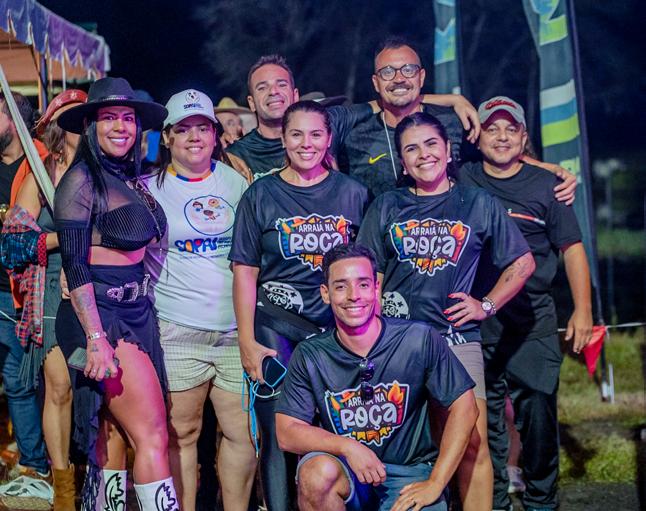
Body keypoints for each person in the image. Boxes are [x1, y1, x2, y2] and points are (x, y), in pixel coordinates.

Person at [357, 112, 536, 511]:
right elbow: (370, 277)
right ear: (402, 162)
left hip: (456, 341)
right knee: (418, 445)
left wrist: (485, 305)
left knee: (471, 441)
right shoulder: (387, 205)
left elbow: (523, 262)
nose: (424, 154)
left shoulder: (477, 202)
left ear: (448, 149)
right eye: (412, 149)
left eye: (431, 144)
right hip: (398, 345)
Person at [229, 100, 369, 511]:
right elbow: (245, 272)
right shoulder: (260, 194)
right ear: (283, 139)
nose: (306, 144)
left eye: (315, 134)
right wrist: (247, 341)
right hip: (277, 326)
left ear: (328, 139)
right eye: (296, 134)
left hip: (336, 331)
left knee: (337, 428)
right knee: (277, 430)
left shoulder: (353, 193)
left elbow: (369, 269)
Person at [459, 96, 593, 511]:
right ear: (477, 136)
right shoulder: (462, 178)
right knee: (483, 424)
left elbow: (572, 249)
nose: (501, 136)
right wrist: (452, 99)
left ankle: (541, 501)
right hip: (474, 323)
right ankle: (494, 501)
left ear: (523, 137)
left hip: (532, 322)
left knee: (537, 414)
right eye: (492, 128)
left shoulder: (547, 188)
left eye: (510, 129)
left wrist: (583, 310)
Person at [275, 243, 479, 511]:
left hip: (407, 475)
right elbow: (286, 432)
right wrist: (347, 447)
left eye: (362, 284)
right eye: (340, 286)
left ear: (376, 288)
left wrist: (436, 482)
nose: (353, 296)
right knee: (316, 474)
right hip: (347, 471)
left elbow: (466, 407)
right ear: (325, 293)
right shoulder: (311, 354)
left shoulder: (418, 338)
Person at [54, 77, 179, 511]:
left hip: (136, 311)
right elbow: (75, 263)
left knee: (115, 437)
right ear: (91, 126)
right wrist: (95, 338)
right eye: (109, 118)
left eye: (127, 118)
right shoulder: (80, 180)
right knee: (152, 434)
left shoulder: (129, 178)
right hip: (101, 318)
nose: (121, 127)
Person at [143, 88, 256, 511]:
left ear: (215, 134)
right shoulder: (147, 190)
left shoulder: (238, 183)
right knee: (182, 434)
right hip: (177, 330)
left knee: (242, 435)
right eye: (184, 128)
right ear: (167, 136)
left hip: (235, 331)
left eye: (203, 128)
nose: (194, 137)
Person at [0, 89, 87, 510]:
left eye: (85, 117)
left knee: (94, 391)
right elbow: (14, 243)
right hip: (51, 290)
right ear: (53, 126)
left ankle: (93, 478)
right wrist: (62, 239)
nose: (81, 125)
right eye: (70, 117)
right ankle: (63, 489)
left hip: (101, 288)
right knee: (59, 387)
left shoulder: (106, 171)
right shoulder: (42, 172)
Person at [226, 54, 478, 182]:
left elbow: (388, 99)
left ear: (295, 95)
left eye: (281, 84)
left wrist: (452, 99)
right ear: (251, 102)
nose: (273, 92)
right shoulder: (235, 154)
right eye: (262, 87)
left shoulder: (329, 120)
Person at [0, 90, 50, 482]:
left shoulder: (43, 164)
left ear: (15, 119)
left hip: (21, 291)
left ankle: (36, 463)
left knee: (23, 380)